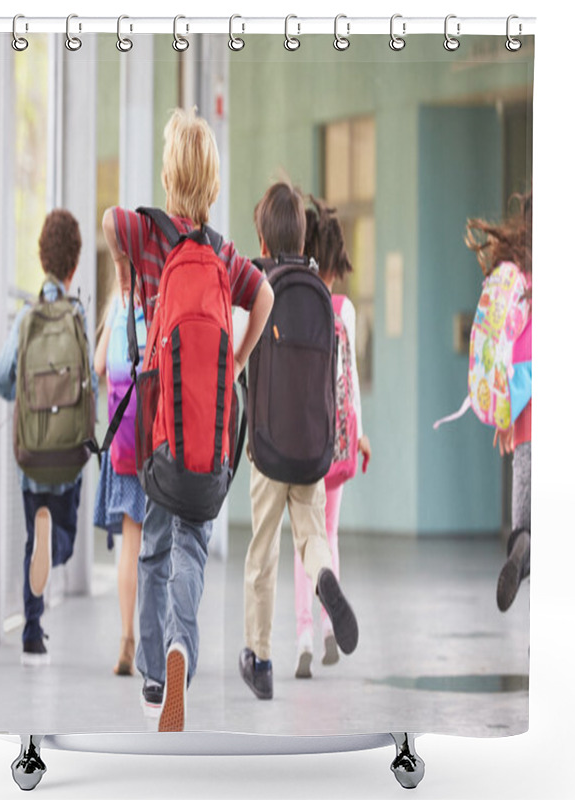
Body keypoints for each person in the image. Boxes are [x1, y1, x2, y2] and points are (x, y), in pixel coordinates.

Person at [101, 107, 274, 731]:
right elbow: (267, 297)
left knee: (154, 547)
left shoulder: (149, 236)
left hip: (159, 432)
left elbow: (109, 221)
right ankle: (182, 650)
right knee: (193, 547)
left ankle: (154, 671)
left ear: (170, 177)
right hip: (211, 433)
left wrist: (126, 271)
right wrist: (233, 360)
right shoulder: (224, 254)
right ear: (214, 185)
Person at [239, 182, 359, 701]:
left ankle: (260, 658)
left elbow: (239, 358)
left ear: (262, 240)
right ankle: (325, 577)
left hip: (267, 451)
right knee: (312, 538)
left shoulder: (259, 286)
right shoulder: (318, 293)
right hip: (312, 450)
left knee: (261, 554)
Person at [0, 209, 97, 666]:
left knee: (30, 540)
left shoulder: (26, 319)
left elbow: (1, 380)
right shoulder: (76, 318)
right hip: (69, 453)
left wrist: (25, 392)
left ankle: (32, 635)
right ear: (74, 265)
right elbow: (88, 387)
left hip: (31, 451)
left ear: (42, 258)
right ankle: (52, 544)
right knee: (64, 538)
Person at [292, 197, 371, 679]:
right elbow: (352, 379)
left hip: (301, 440)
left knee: (306, 538)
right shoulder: (344, 310)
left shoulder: (297, 301)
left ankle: (302, 632)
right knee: (330, 534)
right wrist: (360, 435)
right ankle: (327, 629)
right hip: (339, 440)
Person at [465, 192, 532, 612]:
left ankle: (521, 545)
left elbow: (516, 361)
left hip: (525, 426)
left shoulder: (519, 285)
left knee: (524, 523)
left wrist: (508, 418)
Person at [92, 289, 147, 676]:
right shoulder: (158, 294)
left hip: (124, 443)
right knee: (159, 547)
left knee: (130, 545)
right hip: (156, 445)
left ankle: (127, 637)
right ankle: (158, 642)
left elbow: (98, 365)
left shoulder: (117, 304)